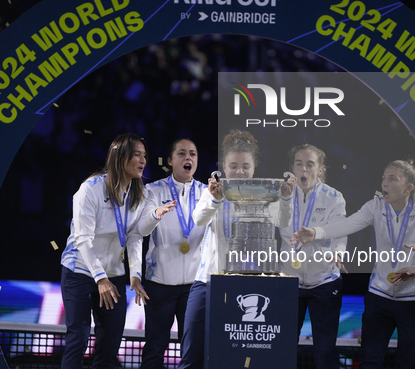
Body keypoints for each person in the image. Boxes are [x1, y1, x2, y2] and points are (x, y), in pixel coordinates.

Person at [292, 160, 415, 369]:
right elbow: (348, 224)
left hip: (414, 298)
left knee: (409, 363)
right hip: (379, 296)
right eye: (383, 178)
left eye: (392, 179)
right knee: (369, 362)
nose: (384, 184)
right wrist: (316, 232)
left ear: (408, 187)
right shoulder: (376, 205)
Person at [177, 129, 296, 369]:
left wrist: (284, 198)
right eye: (233, 165)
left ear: (254, 166)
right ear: (222, 165)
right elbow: (198, 219)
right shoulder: (211, 192)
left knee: (235, 357)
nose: (239, 171)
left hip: (249, 285)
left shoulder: (265, 194)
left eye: (245, 166)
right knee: (191, 356)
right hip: (208, 282)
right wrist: (215, 200)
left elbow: (282, 221)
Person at [60, 133, 176, 369]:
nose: (143, 160)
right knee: (78, 338)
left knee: (110, 344)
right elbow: (82, 239)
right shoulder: (90, 190)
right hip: (79, 271)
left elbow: (134, 235)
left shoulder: (138, 193)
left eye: (145, 156)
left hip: (112, 274)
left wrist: (135, 274)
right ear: (120, 156)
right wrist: (100, 278)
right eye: (137, 155)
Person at [137, 139, 208, 369]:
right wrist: (155, 214)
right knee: (155, 348)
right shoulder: (153, 190)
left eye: (193, 154)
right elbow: (142, 230)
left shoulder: (208, 193)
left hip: (194, 286)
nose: (188, 158)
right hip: (160, 283)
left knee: (193, 349)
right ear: (170, 160)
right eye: (181, 153)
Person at [278, 144, 347, 369]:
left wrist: (338, 252)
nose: (304, 169)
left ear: (320, 170)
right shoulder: (280, 195)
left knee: (325, 352)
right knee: (283, 347)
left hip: (324, 282)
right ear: (292, 168)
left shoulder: (334, 198)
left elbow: (340, 233)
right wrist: (285, 200)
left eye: (310, 164)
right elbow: (278, 224)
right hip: (289, 281)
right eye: (299, 164)